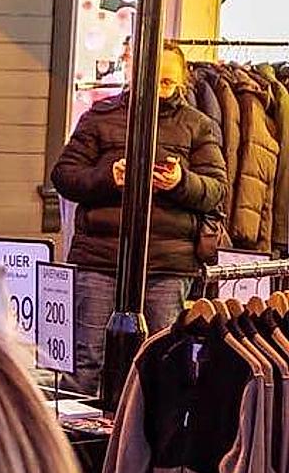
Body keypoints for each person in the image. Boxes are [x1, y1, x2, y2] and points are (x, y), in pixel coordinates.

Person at [51, 41, 227, 395]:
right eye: (151, 79)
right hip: (101, 259)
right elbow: (64, 176)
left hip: (167, 264)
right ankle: (85, 448)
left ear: (182, 82)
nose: (157, 90)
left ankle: (150, 447)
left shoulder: (198, 126)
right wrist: (108, 176)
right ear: (131, 72)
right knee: (89, 362)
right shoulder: (100, 117)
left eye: (167, 83)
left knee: (160, 364)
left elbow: (217, 190)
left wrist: (180, 182)